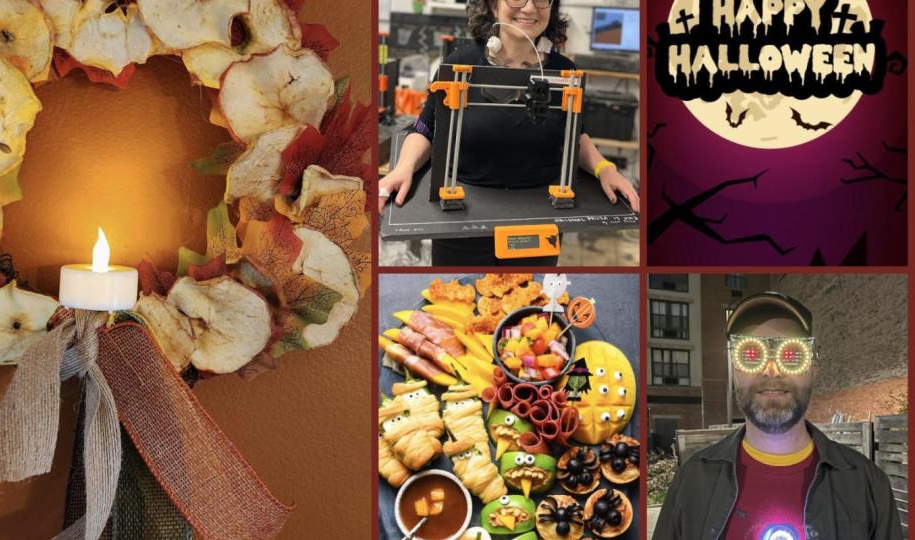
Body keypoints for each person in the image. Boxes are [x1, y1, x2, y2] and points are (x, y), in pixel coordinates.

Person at [377, 0, 640, 266]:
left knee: (529, 299)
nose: (529, 8)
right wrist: (403, 168)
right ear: (493, 6)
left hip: (538, 220)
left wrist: (605, 168)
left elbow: (575, 135)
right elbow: (425, 129)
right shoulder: (459, 64)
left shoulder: (564, 72)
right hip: (461, 220)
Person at [653, 292, 903, 540]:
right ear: (734, 370)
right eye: (751, 353)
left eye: (791, 355)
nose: (771, 370)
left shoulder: (867, 486)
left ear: (814, 368)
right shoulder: (692, 482)